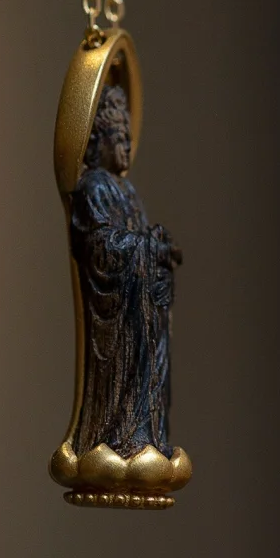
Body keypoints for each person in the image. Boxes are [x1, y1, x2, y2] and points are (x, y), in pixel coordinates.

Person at [69, 83, 181, 458]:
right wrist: (147, 249)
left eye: (129, 139)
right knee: (124, 374)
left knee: (150, 373)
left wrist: (158, 249)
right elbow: (101, 248)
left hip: (142, 311)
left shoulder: (129, 192)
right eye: (119, 138)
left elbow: (139, 238)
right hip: (117, 316)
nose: (126, 147)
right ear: (97, 141)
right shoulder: (94, 188)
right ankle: (119, 436)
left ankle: (146, 434)